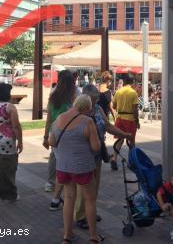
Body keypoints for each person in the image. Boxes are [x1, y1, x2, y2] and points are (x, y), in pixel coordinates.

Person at [74, 85, 132, 230]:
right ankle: (81, 216)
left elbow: (108, 126)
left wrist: (124, 134)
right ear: (84, 98)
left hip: (97, 154)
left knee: (94, 185)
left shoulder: (98, 109)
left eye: (96, 99)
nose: (94, 102)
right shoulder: (77, 111)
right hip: (83, 156)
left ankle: (90, 212)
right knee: (83, 188)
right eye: (92, 100)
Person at [48, 95, 102, 244]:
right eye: (89, 110)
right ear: (86, 108)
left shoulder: (59, 118)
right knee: (89, 200)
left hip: (63, 167)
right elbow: (96, 147)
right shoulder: (88, 121)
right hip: (83, 167)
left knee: (69, 198)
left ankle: (67, 235)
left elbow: (52, 141)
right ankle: (93, 236)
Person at [43, 70, 77, 207]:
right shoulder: (73, 97)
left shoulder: (53, 96)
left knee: (54, 157)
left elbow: (49, 118)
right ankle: (59, 193)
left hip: (54, 133)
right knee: (66, 161)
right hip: (68, 133)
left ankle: (50, 183)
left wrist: (46, 136)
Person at [110, 75, 140, 171]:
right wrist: (137, 121)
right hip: (130, 119)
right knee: (131, 141)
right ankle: (131, 162)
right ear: (132, 82)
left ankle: (114, 158)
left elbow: (114, 106)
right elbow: (135, 109)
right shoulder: (133, 93)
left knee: (120, 139)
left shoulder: (118, 92)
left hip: (119, 118)